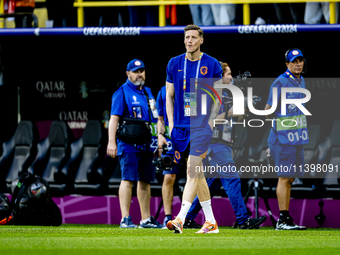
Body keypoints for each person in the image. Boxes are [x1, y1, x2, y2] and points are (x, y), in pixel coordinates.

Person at [185, 62, 267, 229]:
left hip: (221, 143)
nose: (231, 77)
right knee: (233, 179)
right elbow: (206, 121)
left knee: (212, 185)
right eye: (228, 74)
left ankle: (187, 217)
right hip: (214, 143)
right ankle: (244, 220)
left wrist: (241, 108)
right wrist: (229, 112)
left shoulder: (223, 96)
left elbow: (234, 119)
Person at [165, 24, 223, 234]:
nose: (189, 40)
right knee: (197, 173)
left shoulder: (212, 64)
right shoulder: (174, 63)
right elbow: (169, 96)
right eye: (186, 37)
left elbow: (218, 98)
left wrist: (210, 122)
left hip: (201, 126)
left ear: (201, 40)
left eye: (193, 37)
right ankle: (211, 221)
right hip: (180, 127)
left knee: (192, 168)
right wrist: (171, 123)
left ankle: (180, 218)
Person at [107, 59, 163, 229]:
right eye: (136, 71)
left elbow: (156, 118)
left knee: (145, 180)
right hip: (127, 143)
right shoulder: (121, 92)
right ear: (128, 73)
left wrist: (159, 136)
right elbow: (114, 119)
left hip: (145, 143)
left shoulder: (148, 92)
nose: (139, 74)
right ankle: (125, 219)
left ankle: (146, 219)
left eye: (142, 71)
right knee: (127, 179)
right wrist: (111, 142)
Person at [265, 49, 309, 230]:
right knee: (284, 177)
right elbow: (268, 111)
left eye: (300, 60)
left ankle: (285, 218)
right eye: (294, 61)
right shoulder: (280, 82)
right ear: (287, 64)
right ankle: (282, 220)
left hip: (296, 138)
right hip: (282, 139)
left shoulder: (300, 80)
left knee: (290, 178)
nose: (298, 63)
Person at [156, 85, 183, 227]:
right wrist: (160, 135)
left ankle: (188, 217)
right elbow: (160, 119)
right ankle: (167, 217)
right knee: (168, 177)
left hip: (189, 137)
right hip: (171, 140)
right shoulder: (162, 92)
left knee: (195, 176)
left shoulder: (190, 87)